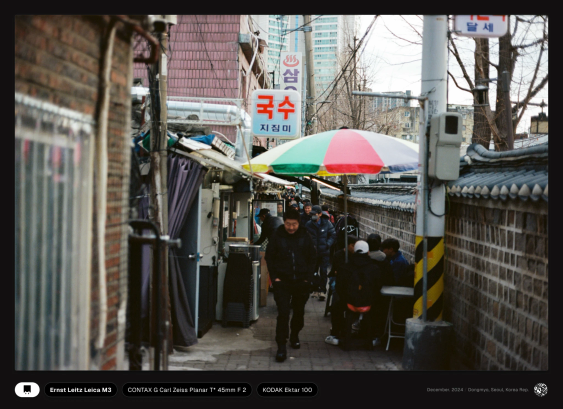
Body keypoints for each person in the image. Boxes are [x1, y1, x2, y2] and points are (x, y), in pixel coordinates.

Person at [265, 207, 317, 362]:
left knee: (299, 312)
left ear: (299, 223)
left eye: (294, 224)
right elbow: (269, 257)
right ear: (284, 222)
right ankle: (281, 346)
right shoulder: (277, 236)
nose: (291, 227)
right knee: (283, 313)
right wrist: (275, 278)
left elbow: (313, 257)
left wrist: (308, 278)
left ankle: (294, 335)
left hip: (301, 282)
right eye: (288, 224)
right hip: (282, 282)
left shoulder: (305, 236)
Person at [325, 240, 381, 350]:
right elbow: (377, 287)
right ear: (368, 252)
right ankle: (373, 336)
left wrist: (347, 298)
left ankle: (336, 334)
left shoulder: (345, 267)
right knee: (378, 309)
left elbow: (339, 287)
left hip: (348, 302)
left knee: (336, 308)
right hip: (368, 303)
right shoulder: (375, 268)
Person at [305, 205, 336, 301]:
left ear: (320, 214)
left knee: (323, 271)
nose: (313, 216)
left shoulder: (327, 224)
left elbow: (333, 235)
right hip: (313, 253)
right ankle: (315, 288)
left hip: (324, 252)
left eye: (315, 214)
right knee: (313, 271)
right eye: (312, 214)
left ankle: (322, 290)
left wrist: (328, 244)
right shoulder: (309, 224)